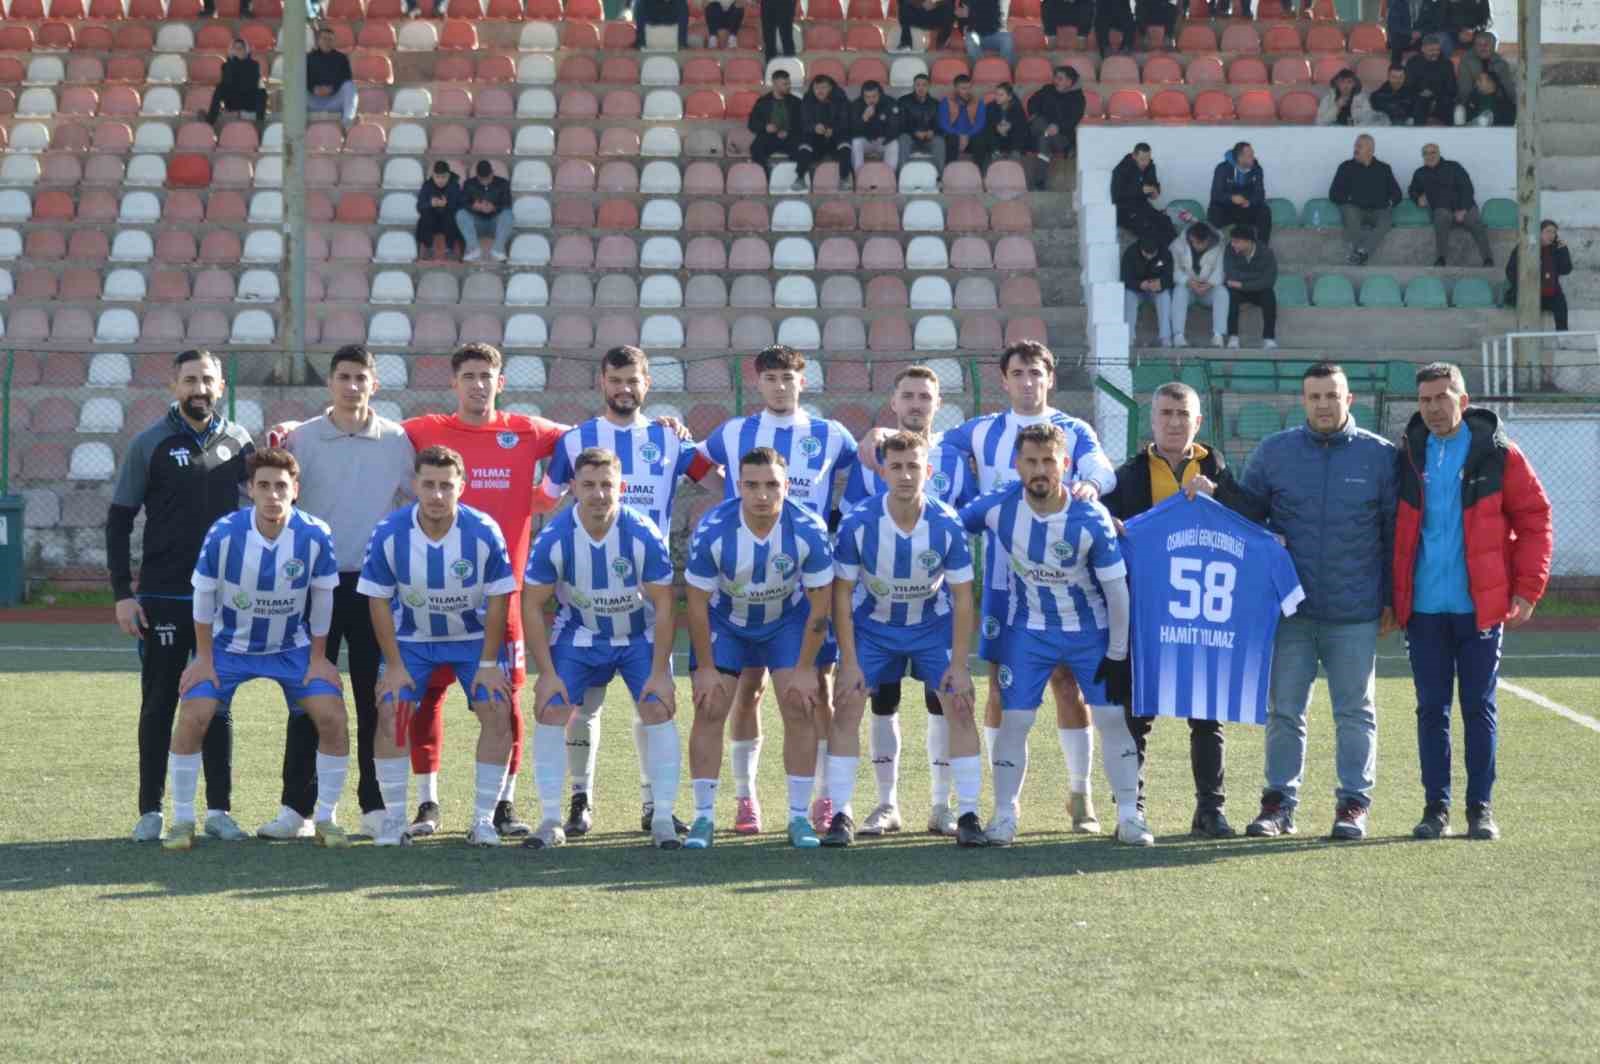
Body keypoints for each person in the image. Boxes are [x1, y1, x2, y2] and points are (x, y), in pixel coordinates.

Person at [911, 342, 1118, 834]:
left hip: (1067, 584)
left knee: (1068, 685)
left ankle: (1080, 794)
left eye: (1036, 373)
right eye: (1019, 373)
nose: (1028, 381)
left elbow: (1102, 467)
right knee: (1000, 692)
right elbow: (928, 446)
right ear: (1004, 380)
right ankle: (1006, 803)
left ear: (1050, 378)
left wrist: (1091, 486)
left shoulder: (1073, 429)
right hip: (1005, 585)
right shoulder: (981, 430)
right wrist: (882, 437)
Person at [540, 347, 716, 837]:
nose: (624, 389)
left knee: (652, 703)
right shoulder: (576, 440)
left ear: (647, 383)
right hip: (585, 599)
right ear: (601, 382)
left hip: (647, 600)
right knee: (584, 705)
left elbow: (720, 483)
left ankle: (654, 805)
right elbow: (544, 500)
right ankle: (580, 800)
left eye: (632, 380)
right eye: (615, 380)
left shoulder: (668, 439)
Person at [397, 345, 567, 838]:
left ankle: (502, 805)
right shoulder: (426, 429)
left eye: (486, 375)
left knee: (504, 703)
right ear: (453, 383)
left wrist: (547, 494)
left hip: (501, 600)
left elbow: (585, 437)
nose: (478, 384)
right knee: (427, 698)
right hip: (433, 597)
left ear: (501, 382)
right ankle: (427, 803)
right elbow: (369, 428)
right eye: (468, 375)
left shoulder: (527, 430)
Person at [696, 346, 859, 834]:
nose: (780, 386)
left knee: (813, 692)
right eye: (771, 378)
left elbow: (865, 467)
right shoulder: (734, 432)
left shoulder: (832, 434)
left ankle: (821, 798)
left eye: (788, 377)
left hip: (805, 584)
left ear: (802, 382)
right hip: (742, 580)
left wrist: (881, 438)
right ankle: (745, 798)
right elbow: (693, 461)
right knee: (746, 692)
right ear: (758, 383)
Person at [959, 425, 1145, 847]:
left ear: (1066, 464)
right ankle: (1004, 815)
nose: (1040, 470)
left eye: (1049, 461)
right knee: (1015, 720)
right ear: (1017, 464)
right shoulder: (999, 505)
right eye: (1031, 461)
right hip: (1029, 632)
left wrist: (1117, 654)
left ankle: (1129, 816)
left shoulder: (1090, 516)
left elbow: (1117, 591)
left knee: (1112, 719)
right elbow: (948, 526)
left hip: (1089, 632)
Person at [1101, 382, 1271, 838]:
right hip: (1146, 614)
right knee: (1135, 715)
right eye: (1166, 413)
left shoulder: (1215, 466)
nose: (1174, 422)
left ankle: (1210, 810)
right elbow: (1100, 521)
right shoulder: (1130, 474)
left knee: (1207, 713)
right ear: (1152, 419)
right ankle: (1130, 808)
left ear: (1198, 421)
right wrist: (1108, 523)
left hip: (1201, 614)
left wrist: (1218, 494)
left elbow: (1254, 517)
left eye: (1183, 414)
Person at [1394, 362, 1552, 842]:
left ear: (1463, 401)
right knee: (1431, 709)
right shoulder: (1407, 454)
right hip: (1423, 609)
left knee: (1478, 708)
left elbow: (1535, 519)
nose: (1433, 408)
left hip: (1479, 608)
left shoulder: (1500, 454)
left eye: (1442, 398)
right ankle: (1435, 809)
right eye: (1425, 400)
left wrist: (1527, 588)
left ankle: (1480, 809)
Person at [1240, 363, 1397, 842]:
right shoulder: (1274, 453)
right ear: (1302, 401)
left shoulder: (1381, 456)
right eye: (1314, 396)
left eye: (1332, 395)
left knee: (1355, 711)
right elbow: (1246, 520)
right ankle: (1278, 805)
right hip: (1291, 611)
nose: (1323, 404)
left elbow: (1395, 535)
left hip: (1355, 611)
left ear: (1349, 400)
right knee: (1285, 711)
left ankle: (1353, 805)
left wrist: (1392, 598)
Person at [163, 448, 348, 851]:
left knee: (333, 716)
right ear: (250, 489)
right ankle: (181, 819)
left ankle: (327, 818)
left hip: (292, 648)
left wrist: (319, 658)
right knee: (193, 715)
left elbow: (324, 599)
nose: (272, 494)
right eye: (263, 485)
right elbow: (203, 595)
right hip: (228, 647)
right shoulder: (224, 533)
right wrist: (203, 659)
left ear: (295, 490)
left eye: (281, 486)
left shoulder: (315, 533)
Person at [268, 347, 415, 843]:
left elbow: (414, 502)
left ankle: (375, 807)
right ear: (329, 383)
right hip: (315, 585)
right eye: (344, 377)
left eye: (361, 378)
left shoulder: (396, 440)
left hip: (375, 587)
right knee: (309, 696)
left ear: (375, 384)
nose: (352, 386)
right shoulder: (302, 438)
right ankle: (297, 809)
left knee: (375, 699)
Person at [109, 349, 253, 843]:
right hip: (164, 595)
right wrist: (123, 593)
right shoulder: (149, 442)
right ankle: (150, 810)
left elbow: (270, 497)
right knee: (159, 702)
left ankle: (219, 811)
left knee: (218, 702)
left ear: (220, 387)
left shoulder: (239, 441)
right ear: (174, 386)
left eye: (207, 380)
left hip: (225, 597)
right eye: (190, 380)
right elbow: (119, 519)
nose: (199, 388)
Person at [826, 433, 985, 848]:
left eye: (913, 466)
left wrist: (960, 665)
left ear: (927, 471)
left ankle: (968, 813)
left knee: (960, 703)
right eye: (896, 467)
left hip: (932, 627)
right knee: (847, 704)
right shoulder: (859, 523)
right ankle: (840, 812)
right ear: (883, 472)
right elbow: (841, 593)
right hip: (873, 628)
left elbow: (963, 596)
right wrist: (849, 662)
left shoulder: (946, 523)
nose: (905, 475)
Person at [522, 449, 683, 851]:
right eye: (589, 485)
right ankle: (551, 819)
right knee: (553, 707)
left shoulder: (642, 532)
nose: (598, 494)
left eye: (606, 485)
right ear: (573, 488)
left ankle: (662, 817)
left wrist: (661, 673)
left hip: (638, 634)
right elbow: (531, 603)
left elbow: (665, 604)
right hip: (581, 633)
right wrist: (547, 674)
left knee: (657, 707)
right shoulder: (555, 537)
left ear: (621, 487)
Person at [360, 446, 518, 848]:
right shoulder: (389, 532)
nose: (436, 494)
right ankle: (395, 821)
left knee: (497, 708)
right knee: (391, 708)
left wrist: (488, 663)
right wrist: (394, 665)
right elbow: (377, 600)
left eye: (446, 486)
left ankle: (483, 820)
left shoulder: (483, 530)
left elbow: (499, 598)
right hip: (411, 640)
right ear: (414, 485)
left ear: (461, 487)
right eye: (428, 484)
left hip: (472, 639)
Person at [683, 448, 836, 849]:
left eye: (772, 485)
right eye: (751, 485)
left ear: (787, 486)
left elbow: (820, 604)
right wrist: (705, 669)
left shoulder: (808, 528)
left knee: (800, 703)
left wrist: (805, 669)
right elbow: (696, 604)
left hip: (786, 621)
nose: (762, 495)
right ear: (738, 487)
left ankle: (798, 817)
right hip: (726, 622)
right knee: (710, 705)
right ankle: (703, 818)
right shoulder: (713, 528)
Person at [1408, 143, 1494, 267]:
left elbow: (1467, 188)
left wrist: (1463, 210)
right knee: (1440, 216)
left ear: (1439, 153)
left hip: (1464, 207)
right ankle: (1441, 259)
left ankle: (1488, 259)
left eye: (1433, 152)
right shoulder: (1420, 173)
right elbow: (1412, 190)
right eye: (1426, 153)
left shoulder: (1454, 166)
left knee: (1476, 223)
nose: (1429, 156)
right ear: (1423, 156)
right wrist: (1418, 199)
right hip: (1442, 209)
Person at [1329, 134, 1403, 265]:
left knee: (1386, 220)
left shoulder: (1384, 168)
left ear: (1370, 150)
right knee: (1350, 212)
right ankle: (1359, 254)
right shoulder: (1345, 167)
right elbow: (1333, 194)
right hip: (1355, 209)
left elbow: (1397, 194)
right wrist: (1352, 200)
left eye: (1359, 146)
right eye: (1355, 146)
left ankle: (1362, 251)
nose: (1355, 149)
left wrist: (1388, 203)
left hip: (1378, 210)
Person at [1503, 220, 1573, 332]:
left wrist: (1564, 250)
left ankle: (1562, 335)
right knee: (1528, 303)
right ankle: (1527, 335)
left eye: (1554, 232)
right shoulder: (1525, 247)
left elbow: (1566, 270)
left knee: (1560, 302)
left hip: (1548, 294)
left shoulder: (1556, 249)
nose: (1551, 235)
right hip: (1527, 292)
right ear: (1539, 232)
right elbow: (1510, 270)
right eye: (1548, 231)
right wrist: (1523, 285)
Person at [1169, 221, 1227, 348]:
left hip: (1207, 289)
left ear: (1209, 239)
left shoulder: (1219, 245)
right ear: (1191, 237)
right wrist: (1188, 282)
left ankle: (1218, 336)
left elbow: (1220, 271)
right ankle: (1178, 335)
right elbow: (1173, 270)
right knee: (1179, 290)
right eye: (1196, 242)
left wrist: (1209, 284)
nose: (1199, 246)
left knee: (1222, 292)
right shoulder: (1177, 245)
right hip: (1188, 288)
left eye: (1203, 243)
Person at [1026, 65, 1085, 189]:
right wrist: (1045, 123)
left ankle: (1040, 181)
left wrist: (1058, 127)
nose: (1055, 81)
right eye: (1055, 78)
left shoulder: (1078, 98)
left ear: (1069, 82)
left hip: (1061, 137)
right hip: (1040, 129)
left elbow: (1073, 120)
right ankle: (1039, 183)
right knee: (1040, 124)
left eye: (1060, 79)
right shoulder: (1047, 89)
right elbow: (1032, 102)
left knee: (1044, 139)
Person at [1222, 224, 1278, 350]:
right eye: (1232, 241)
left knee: (1269, 295)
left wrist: (1243, 284)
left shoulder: (1266, 253)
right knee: (1230, 295)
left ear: (1248, 241)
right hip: (1237, 290)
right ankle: (1233, 337)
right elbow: (1230, 273)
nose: (1233, 244)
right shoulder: (1229, 250)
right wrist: (1255, 276)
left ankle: (1269, 338)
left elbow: (1268, 281)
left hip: (1257, 290)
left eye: (1236, 242)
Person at [1206, 141, 1271, 246]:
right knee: (1214, 211)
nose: (1253, 158)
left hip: (1245, 208)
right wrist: (1230, 198)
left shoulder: (1257, 169)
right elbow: (1215, 194)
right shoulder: (1222, 168)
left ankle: (1262, 248)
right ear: (1240, 158)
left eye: (1253, 154)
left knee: (1264, 211)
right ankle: (1215, 247)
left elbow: (1260, 193)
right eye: (1250, 156)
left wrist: (1250, 202)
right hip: (1226, 208)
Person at [1111, 141, 1174, 246]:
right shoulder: (1121, 169)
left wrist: (1155, 192)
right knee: (1148, 228)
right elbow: (1117, 195)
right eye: (1142, 159)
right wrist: (1140, 190)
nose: (1145, 163)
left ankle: (1172, 251)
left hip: (1143, 206)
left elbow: (1154, 184)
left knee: (1165, 221)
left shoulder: (1150, 166)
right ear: (1134, 156)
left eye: (1148, 159)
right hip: (1125, 210)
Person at [455, 160, 513, 264]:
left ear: (492, 173)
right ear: (477, 176)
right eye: (482, 179)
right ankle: (473, 249)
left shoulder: (503, 183)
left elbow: (507, 203)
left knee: (508, 214)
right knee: (461, 214)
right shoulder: (469, 184)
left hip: (496, 224)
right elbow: (461, 203)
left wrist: (494, 208)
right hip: (476, 224)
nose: (485, 182)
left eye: (488, 178)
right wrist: (474, 206)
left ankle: (498, 250)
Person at [1122, 237, 1175, 348]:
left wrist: (1161, 283)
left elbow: (1170, 276)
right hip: (1137, 290)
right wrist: (1139, 284)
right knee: (1128, 296)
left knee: (1165, 296)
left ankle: (1165, 337)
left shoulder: (1164, 253)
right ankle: (1129, 337)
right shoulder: (1131, 253)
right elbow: (1125, 277)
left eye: (1152, 254)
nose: (1149, 257)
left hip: (1156, 290)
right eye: (1146, 254)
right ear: (1141, 248)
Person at [748, 70, 802, 176]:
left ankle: (794, 177)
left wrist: (789, 132)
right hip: (769, 137)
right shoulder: (762, 102)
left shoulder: (796, 102)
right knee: (756, 149)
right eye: (785, 84)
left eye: (789, 83)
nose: (789, 86)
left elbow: (802, 123)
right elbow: (752, 124)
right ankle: (765, 177)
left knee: (802, 150)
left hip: (791, 137)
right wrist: (765, 127)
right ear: (775, 84)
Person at [204, 38, 266, 129]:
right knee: (219, 87)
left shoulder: (254, 64)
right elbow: (227, 83)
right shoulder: (226, 65)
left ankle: (260, 122)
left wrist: (240, 65)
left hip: (249, 100)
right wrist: (231, 61)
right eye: (235, 48)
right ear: (232, 51)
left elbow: (252, 84)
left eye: (240, 48)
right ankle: (210, 120)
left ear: (246, 50)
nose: (238, 51)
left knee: (262, 91)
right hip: (233, 101)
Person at [306, 27, 358, 129]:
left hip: (334, 100)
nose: (327, 42)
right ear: (318, 41)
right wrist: (313, 89)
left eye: (330, 39)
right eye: (324, 38)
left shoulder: (341, 58)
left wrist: (332, 88)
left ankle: (347, 123)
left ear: (334, 42)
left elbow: (346, 78)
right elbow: (303, 78)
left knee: (350, 86)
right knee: (297, 87)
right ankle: (297, 125)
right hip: (313, 100)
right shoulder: (308, 58)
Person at [897, 74, 947, 174]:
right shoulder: (903, 101)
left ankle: (940, 176)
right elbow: (900, 123)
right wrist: (914, 132)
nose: (921, 88)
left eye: (924, 85)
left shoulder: (935, 103)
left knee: (939, 141)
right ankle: (902, 175)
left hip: (929, 139)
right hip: (910, 138)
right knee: (903, 138)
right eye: (918, 85)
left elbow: (940, 124)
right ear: (914, 86)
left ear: (929, 87)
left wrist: (933, 131)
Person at [975, 82, 1030, 172]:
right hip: (995, 140)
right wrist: (996, 126)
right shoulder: (990, 106)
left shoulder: (1017, 107)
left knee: (1020, 128)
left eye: (1001, 95)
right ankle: (995, 153)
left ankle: (1015, 153)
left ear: (1009, 97)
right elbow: (984, 123)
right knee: (983, 130)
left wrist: (1010, 126)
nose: (997, 97)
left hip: (1011, 139)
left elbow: (1023, 125)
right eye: (996, 94)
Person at [850, 81, 901, 177]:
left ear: (880, 94)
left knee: (894, 144)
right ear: (863, 96)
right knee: (856, 142)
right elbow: (852, 130)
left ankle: (890, 176)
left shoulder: (890, 103)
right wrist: (864, 118)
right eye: (867, 97)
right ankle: (858, 176)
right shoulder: (856, 105)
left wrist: (882, 137)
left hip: (884, 140)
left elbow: (895, 127)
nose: (871, 100)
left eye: (874, 96)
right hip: (866, 140)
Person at [415, 161, 463, 261]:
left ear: (448, 176)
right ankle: (428, 248)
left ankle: (450, 249)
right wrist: (431, 204)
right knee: (426, 214)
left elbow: (460, 207)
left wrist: (447, 205)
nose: (440, 180)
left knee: (451, 215)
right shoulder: (427, 186)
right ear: (433, 175)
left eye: (443, 177)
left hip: (448, 221)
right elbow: (419, 206)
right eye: (437, 177)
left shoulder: (454, 186)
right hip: (432, 221)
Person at [937, 75, 988, 168]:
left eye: (969, 88)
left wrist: (967, 135)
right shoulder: (946, 101)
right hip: (953, 136)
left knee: (980, 138)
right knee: (952, 139)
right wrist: (959, 136)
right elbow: (943, 123)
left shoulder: (978, 101)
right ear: (956, 88)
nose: (967, 91)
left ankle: (979, 171)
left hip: (971, 137)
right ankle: (950, 169)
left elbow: (980, 123)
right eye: (963, 88)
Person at [1404, 35, 1457, 124]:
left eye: (1437, 50)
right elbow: (1408, 85)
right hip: (1419, 99)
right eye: (1431, 50)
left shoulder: (1447, 64)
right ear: (1423, 49)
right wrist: (1421, 92)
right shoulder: (1413, 63)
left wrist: (1434, 94)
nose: (1435, 53)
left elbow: (1452, 88)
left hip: (1441, 99)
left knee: (1448, 104)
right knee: (1418, 103)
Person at [1380, 0, 1441, 68]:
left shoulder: (1429, 3)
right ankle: (1396, 68)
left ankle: (1428, 69)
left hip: (1422, 36)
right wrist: (1410, 33)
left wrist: (1420, 33)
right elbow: (1393, 24)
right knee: (1396, 38)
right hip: (1403, 35)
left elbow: (1433, 24)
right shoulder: (1397, 3)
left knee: (1433, 41)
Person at [1456, 31, 1514, 102]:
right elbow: (1464, 91)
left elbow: (1509, 90)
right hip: (1473, 102)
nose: (1483, 48)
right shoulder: (1466, 62)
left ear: (1493, 46)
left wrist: (1494, 89)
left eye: (1486, 44)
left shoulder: (1501, 64)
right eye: (1479, 45)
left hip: (1497, 101)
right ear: (1474, 46)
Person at [958, 0, 1017, 67]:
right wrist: (964, 27)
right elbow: (961, 20)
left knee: (1007, 38)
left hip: (992, 34)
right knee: (969, 40)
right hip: (975, 35)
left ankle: (1005, 69)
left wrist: (970, 13)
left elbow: (993, 17)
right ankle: (981, 68)